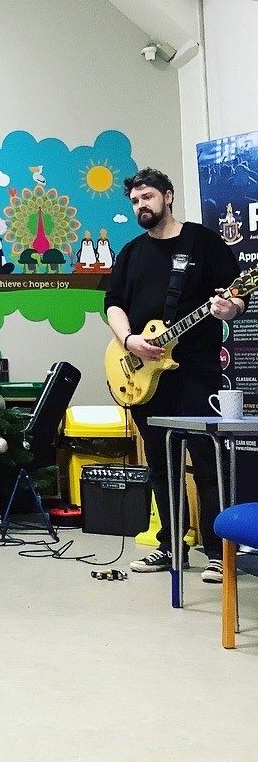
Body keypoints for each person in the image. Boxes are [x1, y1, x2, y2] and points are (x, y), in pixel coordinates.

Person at [105, 168, 248, 583]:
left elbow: (235, 294)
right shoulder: (131, 252)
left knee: (207, 461)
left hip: (196, 373)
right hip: (144, 377)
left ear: (168, 196)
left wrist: (230, 309)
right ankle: (171, 546)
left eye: (146, 197)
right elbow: (113, 303)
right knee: (160, 463)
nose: (140, 206)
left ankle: (220, 552)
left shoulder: (203, 242)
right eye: (134, 201)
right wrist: (129, 340)